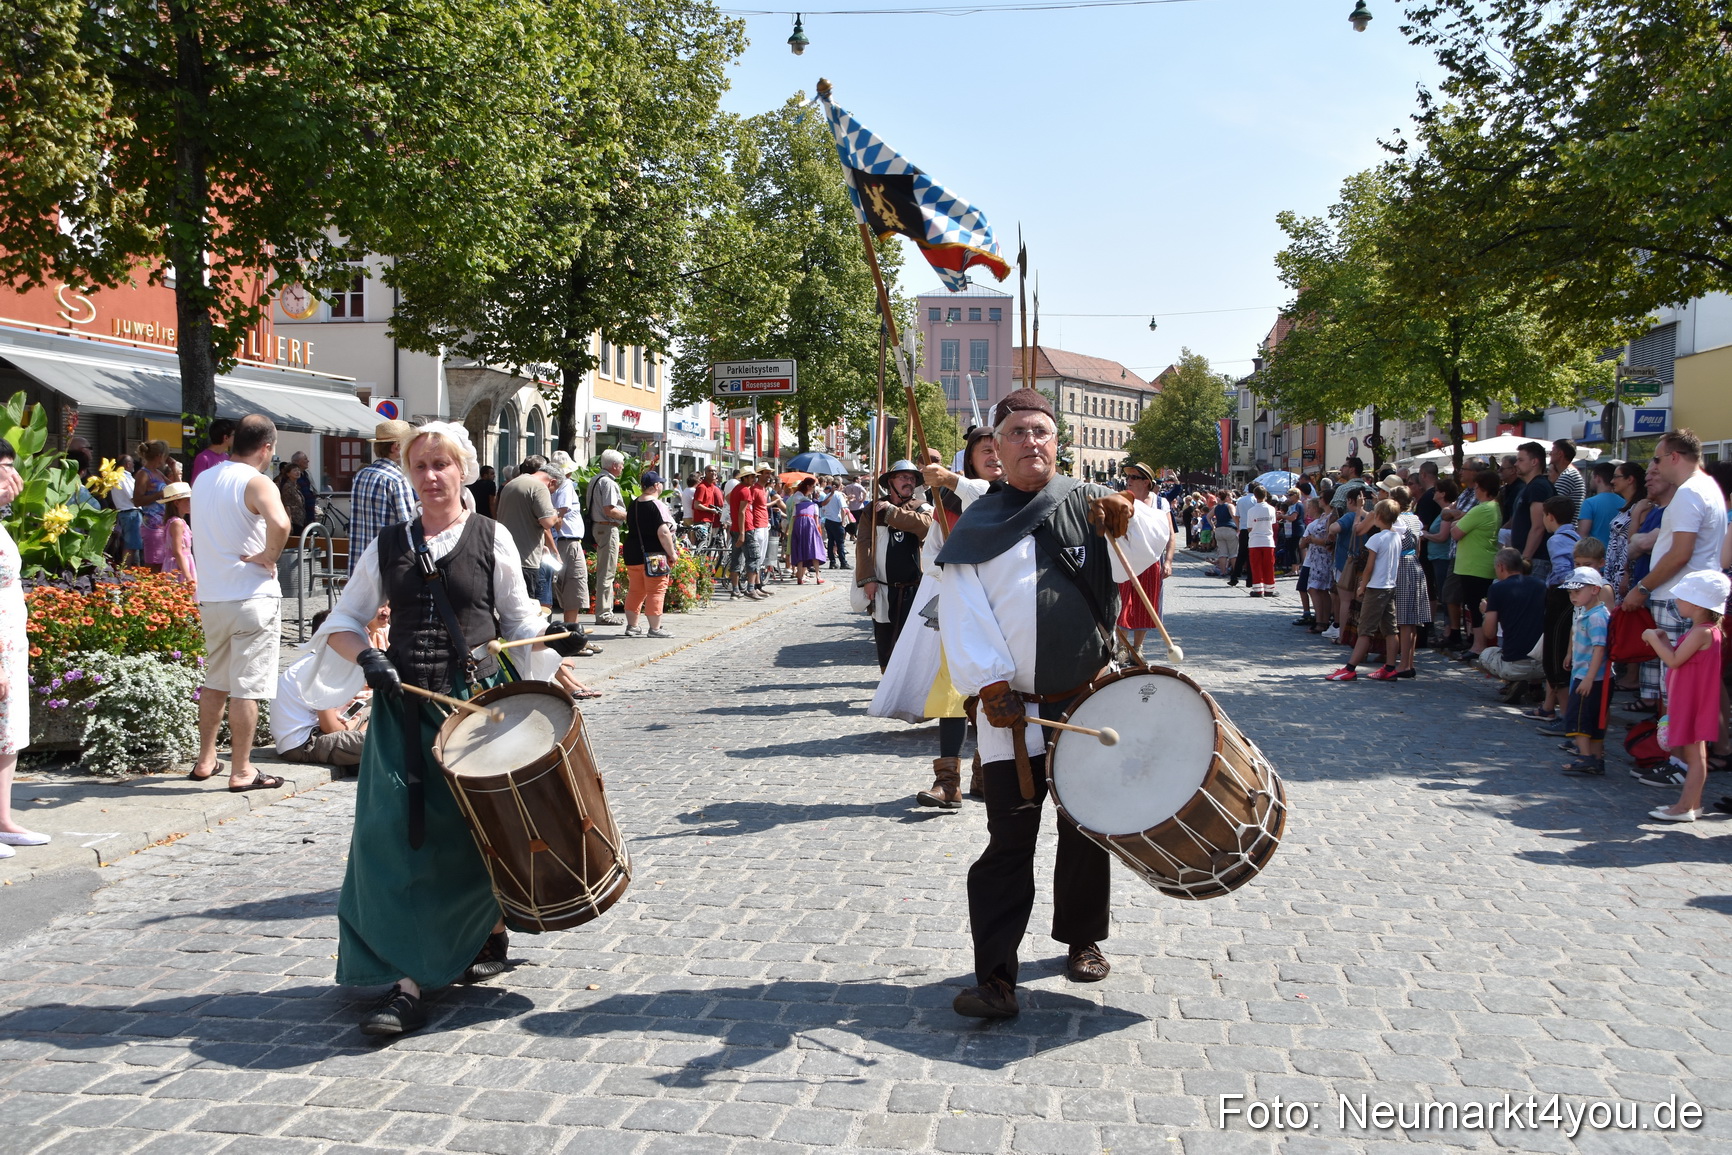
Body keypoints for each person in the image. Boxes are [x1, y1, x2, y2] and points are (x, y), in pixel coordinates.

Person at [293, 422, 596, 1036]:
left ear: (463, 471)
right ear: (410, 473)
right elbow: (345, 620)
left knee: (473, 833)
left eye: (442, 465)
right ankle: (405, 980)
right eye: (421, 466)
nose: (431, 477)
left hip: (473, 709)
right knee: (392, 840)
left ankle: (483, 928)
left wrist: (555, 667)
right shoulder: (389, 543)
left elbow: (517, 620)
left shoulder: (492, 539)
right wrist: (367, 658)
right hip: (402, 713)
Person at [936, 388, 1168, 1018]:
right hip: (1011, 713)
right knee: (1009, 840)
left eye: (1040, 431)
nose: (1029, 442)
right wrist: (988, 686)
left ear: (1056, 442)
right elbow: (964, 614)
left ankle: (1083, 940)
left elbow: (1150, 539)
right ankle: (996, 979)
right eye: (1016, 433)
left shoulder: (1089, 506)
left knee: (1085, 827)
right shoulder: (976, 526)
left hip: (1086, 703)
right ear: (995, 449)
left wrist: (1130, 509)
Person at [871, 426, 1002, 808]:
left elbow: (988, 495)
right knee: (952, 693)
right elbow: (932, 556)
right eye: (984, 451)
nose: (993, 456)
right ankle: (948, 782)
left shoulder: (1013, 495)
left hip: (1005, 614)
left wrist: (952, 479)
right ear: (972, 458)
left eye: (998, 449)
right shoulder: (948, 504)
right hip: (961, 609)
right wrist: (956, 572)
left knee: (993, 696)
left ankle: (984, 773)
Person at [189, 414, 292, 791]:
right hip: (251, 596)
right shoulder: (257, 481)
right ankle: (242, 769)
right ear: (267, 446)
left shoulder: (204, 477)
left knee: (215, 680)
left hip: (212, 595)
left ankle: (205, 760)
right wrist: (270, 555)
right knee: (247, 687)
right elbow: (281, 524)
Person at [1622, 431, 1728, 725]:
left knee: (1676, 688)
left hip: (1678, 597)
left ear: (1674, 457)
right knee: (1700, 682)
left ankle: (1679, 760)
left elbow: (1680, 553)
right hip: (1694, 595)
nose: (1654, 466)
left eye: (1657, 458)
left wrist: (1642, 588)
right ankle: (1710, 752)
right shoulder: (1708, 486)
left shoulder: (1690, 492)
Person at [1643, 569, 1729, 820]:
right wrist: (1662, 638)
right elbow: (1682, 658)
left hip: (1693, 702)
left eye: (1681, 598)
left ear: (1696, 603)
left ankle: (1684, 807)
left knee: (1695, 757)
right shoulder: (1705, 629)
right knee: (1696, 755)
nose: (1677, 602)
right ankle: (1693, 804)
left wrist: (1651, 635)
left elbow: (1673, 660)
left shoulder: (1702, 631)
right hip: (1690, 700)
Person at [0, 439, 48, 861]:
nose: (10, 478)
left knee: (8, 735)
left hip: (12, 640)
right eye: (2, 468)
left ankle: (4, 820)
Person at [275, 609, 381, 773]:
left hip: (318, 733)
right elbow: (330, 727)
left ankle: (357, 754)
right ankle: (360, 753)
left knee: (382, 711)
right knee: (389, 738)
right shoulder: (319, 670)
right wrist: (352, 728)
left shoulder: (319, 661)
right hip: (304, 743)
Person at [854, 460, 932, 671]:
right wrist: (868, 579)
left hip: (914, 588)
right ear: (891, 482)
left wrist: (891, 512)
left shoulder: (922, 507)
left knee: (913, 642)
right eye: (903, 477)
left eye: (912, 478)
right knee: (885, 642)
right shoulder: (872, 509)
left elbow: (926, 526)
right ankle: (886, 685)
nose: (909, 482)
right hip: (882, 587)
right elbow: (863, 545)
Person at [1326, 498, 1401, 681]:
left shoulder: (1376, 538)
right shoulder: (1397, 536)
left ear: (1379, 516)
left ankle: (1350, 668)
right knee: (1391, 629)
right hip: (1390, 586)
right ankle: (1390, 667)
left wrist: (1362, 586)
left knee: (1365, 629)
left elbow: (1369, 568)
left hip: (1375, 588)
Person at [1555, 567, 1613, 776]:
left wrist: (1588, 678)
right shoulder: (1590, 614)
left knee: (1579, 719)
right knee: (1593, 720)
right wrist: (1570, 654)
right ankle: (1596, 759)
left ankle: (1585, 757)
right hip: (1586, 674)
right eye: (1571, 593)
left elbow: (1599, 648)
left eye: (1577, 592)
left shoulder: (1597, 617)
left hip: (1590, 677)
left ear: (1595, 590)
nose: (1573, 596)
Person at [1116, 463, 1176, 654]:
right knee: (1122, 604)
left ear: (1146, 482)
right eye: (1128, 477)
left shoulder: (1160, 503)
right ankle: (1122, 648)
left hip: (1151, 561)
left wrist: (1168, 561)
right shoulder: (1122, 500)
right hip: (1125, 560)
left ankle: (1138, 647)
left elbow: (1170, 534)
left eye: (1133, 477)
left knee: (1146, 604)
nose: (1129, 481)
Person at [350, 420, 417, 570]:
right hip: (386, 565)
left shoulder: (361, 475)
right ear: (396, 447)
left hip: (360, 564)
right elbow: (409, 528)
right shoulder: (397, 480)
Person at [1476, 548, 1546, 689]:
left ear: (1501, 566)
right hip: (1542, 665)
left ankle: (1514, 682)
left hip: (1515, 664)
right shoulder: (1540, 585)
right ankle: (1535, 685)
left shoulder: (1497, 589)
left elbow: (1489, 633)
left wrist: (1486, 612)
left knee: (1485, 655)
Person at [1448, 473, 1502, 655]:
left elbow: (1455, 532)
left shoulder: (1481, 509)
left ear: (1484, 489)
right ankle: (1479, 643)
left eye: (1477, 488)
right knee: (1476, 605)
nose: (1475, 491)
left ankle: (1479, 645)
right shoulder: (1494, 507)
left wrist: (1456, 523)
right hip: (1480, 563)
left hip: (1474, 565)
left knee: (1475, 606)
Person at [497, 457, 562, 608]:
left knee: (511, 609)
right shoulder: (540, 487)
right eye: (553, 491)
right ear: (552, 482)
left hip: (507, 555)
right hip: (527, 560)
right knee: (526, 609)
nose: (551, 494)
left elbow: (521, 519)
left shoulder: (512, 483)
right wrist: (556, 514)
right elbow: (547, 522)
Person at [622, 470, 677, 639]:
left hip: (633, 553)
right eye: (660, 483)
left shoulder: (634, 504)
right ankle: (655, 628)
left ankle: (632, 626)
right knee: (656, 591)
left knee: (636, 590)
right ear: (655, 486)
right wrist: (672, 553)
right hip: (655, 555)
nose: (661, 485)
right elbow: (663, 532)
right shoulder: (657, 505)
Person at [586, 450, 628, 626]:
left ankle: (603, 612)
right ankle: (604, 614)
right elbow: (609, 509)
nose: (623, 467)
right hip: (607, 527)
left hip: (599, 527)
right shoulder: (608, 482)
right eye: (621, 464)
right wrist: (629, 515)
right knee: (607, 572)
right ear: (615, 465)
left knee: (605, 571)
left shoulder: (595, 479)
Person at [547, 457, 589, 627]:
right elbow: (560, 512)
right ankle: (572, 633)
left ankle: (569, 632)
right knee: (574, 586)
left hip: (561, 540)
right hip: (567, 541)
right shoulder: (565, 485)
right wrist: (556, 531)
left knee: (565, 587)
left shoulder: (557, 485)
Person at [1509, 442, 1555, 582]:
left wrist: (1525, 560)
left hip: (1536, 560)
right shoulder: (1530, 487)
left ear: (1534, 462)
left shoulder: (1538, 486)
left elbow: (1538, 527)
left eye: (1521, 460)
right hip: (1530, 559)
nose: (1516, 464)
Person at [724, 467, 764, 599]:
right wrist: (742, 533)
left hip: (735, 528)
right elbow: (742, 512)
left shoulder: (736, 488)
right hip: (746, 529)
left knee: (736, 559)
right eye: (752, 477)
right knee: (752, 558)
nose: (754, 479)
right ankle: (750, 589)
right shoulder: (746, 490)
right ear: (745, 477)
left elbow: (728, 498)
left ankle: (735, 590)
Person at [133, 440, 172, 571]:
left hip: (162, 523)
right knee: (154, 565)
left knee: (162, 564)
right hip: (152, 525)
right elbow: (137, 500)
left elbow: (175, 488)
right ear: (160, 456)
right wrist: (158, 494)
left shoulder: (157, 472)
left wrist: (175, 470)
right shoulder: (143, 474)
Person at [159, 481, 196, 594]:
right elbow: (177, 551)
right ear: (176, 502)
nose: (190, 503)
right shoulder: (177, 523)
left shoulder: (179, 522)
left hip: (183, 562)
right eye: (187, 500)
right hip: (179, 565)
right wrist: (188, 576)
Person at [788, 477, 827, 584]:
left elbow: (794, 517)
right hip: (810, 525)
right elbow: (816, 519)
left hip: (798, 526)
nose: (814, 489)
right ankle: (818, 577)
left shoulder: (798, 503)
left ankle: (800, 577)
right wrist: (818, 531)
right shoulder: (812, 504)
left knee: (800, 549)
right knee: (814, 549)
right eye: (813, 486)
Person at [1577, 462, 1622, 547]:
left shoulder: (1589, 503)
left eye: (1591, 477)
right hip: (1616, 555)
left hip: (1595, 555)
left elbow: (1582, 535)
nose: (1590, 481)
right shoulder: (1624, 503)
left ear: (1597, 478)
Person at [1244, 483, 1277, 597]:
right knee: (1269, 565)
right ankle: (1269, 589)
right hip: (1268, 540)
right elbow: (1272, 523)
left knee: (1256, 566)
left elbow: (1249, 527)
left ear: (1254, 495)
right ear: (1266, 495)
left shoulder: (1251, 510)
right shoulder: (1271, 509)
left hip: (1254, 541)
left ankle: (1258, 589)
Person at [690, 466, 724, 552]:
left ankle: (704, 564)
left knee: (706, 546)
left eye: (715, 471)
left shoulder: (711, 486)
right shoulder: (702, 487)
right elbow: (697, 505)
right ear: (706, 473)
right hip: (702, 521)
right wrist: (710, 510)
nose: (713, 473)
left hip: (709, 520)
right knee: (702, 546)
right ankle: (700, 564)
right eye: (710, 471)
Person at [1227, 486, 1256, 587]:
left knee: (1241, 554)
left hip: (1243, 529)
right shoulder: (1256, 500)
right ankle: (1250, 579)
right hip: (1253, 529)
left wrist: (1239, 526)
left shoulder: (1241, 500)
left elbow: (1237, 515)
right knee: (1251, 555)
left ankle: (1234, 577)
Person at [1550, 439, 1584, 521]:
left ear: (1560, 454)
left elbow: (1550, 506)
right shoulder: (1570, 474)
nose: (1550, 453)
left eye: (1553, 450)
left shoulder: (1567, 476)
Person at [818, 479, 849, 568]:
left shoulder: (827, 495)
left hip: (828, 520)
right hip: (837, 521)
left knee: (831, 541)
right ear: (840, 486)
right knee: (840, 542)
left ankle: (832, 562)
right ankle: (843, 562)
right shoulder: (839, 495)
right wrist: (843, 521)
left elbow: (823, 508)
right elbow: (843, 509)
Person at [278, 462, 309, 537]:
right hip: (294, 520)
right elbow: (287, 505)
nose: (297, 472)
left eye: (298, 470)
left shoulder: (296, 486)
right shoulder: (288, 487)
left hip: (300, 519)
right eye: (294, 470)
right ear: (288, 474)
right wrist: (289, 523)